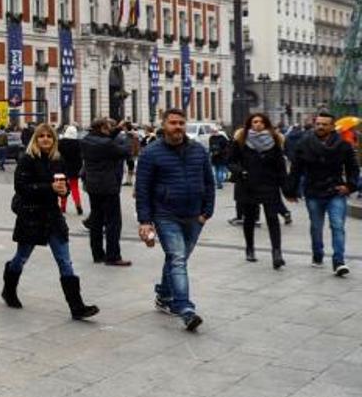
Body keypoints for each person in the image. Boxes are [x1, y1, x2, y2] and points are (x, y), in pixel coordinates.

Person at [0, 124, 99, 320]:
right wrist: (49, 188)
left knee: (64, 260)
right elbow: (21, 187)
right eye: (41, 136)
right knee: (21, 257)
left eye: (49, 137)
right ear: (35, 140)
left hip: (52, 217)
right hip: (31, 216)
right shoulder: (27, 160)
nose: (45, 139)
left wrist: (65, 192)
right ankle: (9, 289)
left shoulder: (57, 160)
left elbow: (63, 186)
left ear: (54, 140)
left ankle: (76, 306)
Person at [135, 108, 213, 331]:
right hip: (165, 214)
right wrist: (145, 221)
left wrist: (207, 211)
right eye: (173, 123)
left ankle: (164, 294)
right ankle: (185, 309)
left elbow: (209, 182)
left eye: (181, 123)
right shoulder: (151, 153)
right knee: (178, 258)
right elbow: (143, 189)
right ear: (164, 125)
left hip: (195, 215)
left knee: (176, 258)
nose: (177, 127)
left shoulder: (198, 150)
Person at [287, 111, 360, 276]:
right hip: (313, 191)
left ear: (332, 127)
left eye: (324, 124)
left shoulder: (343, 144)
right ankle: (317, 254)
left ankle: (339, 261)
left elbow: (352, 168)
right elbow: (296, 169)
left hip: (335, 191)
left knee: (338, 226)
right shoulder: (304, 143)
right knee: (316, 227)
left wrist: (349, 186)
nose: (320, 126)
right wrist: (291, 190)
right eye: (318, 124)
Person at [229, 112, 288, 269]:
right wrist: (240, 171)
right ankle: (250, 248)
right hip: (248, 184)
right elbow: (231, 161)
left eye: (261, 122)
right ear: (250, 124)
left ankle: (277, 253)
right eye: (255, 121)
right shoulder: (241, 140)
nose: (258, 124)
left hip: (269, 184)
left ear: (266, 124)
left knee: (272, 218)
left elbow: (280, 166)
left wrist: (287, 188)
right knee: (249, 219)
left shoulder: (274, 140)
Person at [80, 118, 132, 266]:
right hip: (108, 187)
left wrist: (117, 129)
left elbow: (104, 140)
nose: (110, 129)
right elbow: (125, 151)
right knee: (113, 222)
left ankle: (97, 254)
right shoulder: (107, 144)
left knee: (96, 220)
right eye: (109, 127)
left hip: (92, 186)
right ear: (102, 128)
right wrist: (127, 135)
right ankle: (113, 256)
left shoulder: (86, 140)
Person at [58, 124, 84, 216]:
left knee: (63, 187)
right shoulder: (78, 143)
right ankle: (78, 204)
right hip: (74, 168)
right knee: (74, 187)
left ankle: (63, 207)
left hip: (62, 168)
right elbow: (81, 157)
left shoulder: (60, 142)